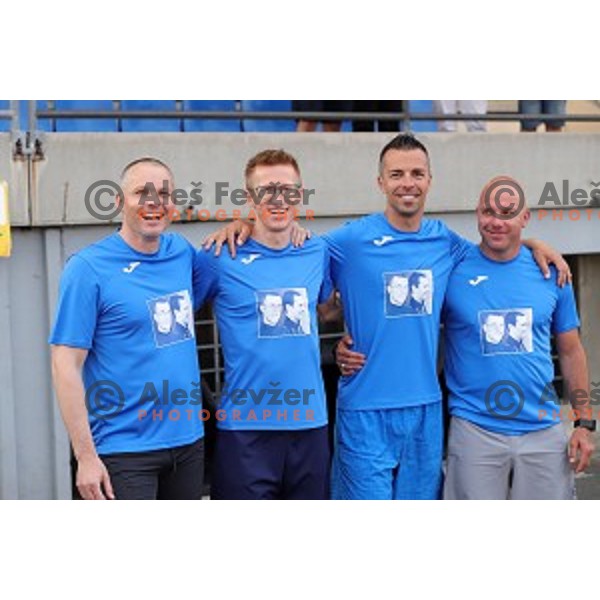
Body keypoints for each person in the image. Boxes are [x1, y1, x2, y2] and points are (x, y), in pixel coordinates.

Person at [206, 134, 570, 500]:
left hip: (426, 411)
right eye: (396, 174)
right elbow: (286, 250)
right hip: (364, 409)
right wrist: (244, 225)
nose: (407, 183)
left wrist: (533, 244)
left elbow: (494, 247)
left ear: (430, 180)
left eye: (416, 173)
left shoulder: (447, 243)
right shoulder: (344, 242)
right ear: (381, 182)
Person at [49, 157, 205, 500]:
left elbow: (233, 273)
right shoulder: (87, 268)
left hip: (188, 444)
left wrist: (241, 227)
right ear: (120, 202)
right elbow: (65, 365)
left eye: (163, 193)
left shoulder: (181, 252)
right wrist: (86, 457)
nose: (154, 202)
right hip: (123, 452)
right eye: (141, 192)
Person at [442, 177, 594, 499]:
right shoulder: (452, 266)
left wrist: (584, 422)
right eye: (488, 212)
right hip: (474, 428)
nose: (496, 222)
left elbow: (571, 352)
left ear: (525, 218)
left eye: (507, 213)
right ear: (476, 214)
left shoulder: (553, 272)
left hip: (543, 428)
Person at [195, 149, 334, 500]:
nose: (277, 200)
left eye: (287, 190)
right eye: (266, 191)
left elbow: (326, 310)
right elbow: (180, 314)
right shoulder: (217, 258)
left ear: (299, 196)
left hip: (310, 425)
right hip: (246, 430)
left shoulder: (317, 251)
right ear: (248, 198)